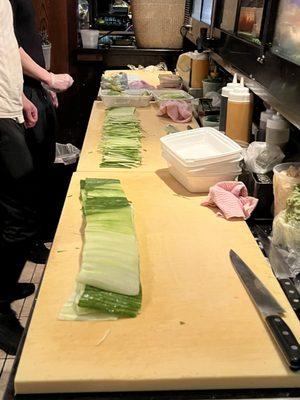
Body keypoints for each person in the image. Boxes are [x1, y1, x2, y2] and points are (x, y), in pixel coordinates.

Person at [10, 0, 74, 262]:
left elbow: (25, 41)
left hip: (31, 86)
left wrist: (42, 82)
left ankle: (37, 238)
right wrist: (47, 78)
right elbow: (9, 49)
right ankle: (27, 246)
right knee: (28, 174)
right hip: (21, 89)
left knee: (43, 165)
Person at [0, 0, 40, 355]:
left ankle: (4, 289)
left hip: (7, 108)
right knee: (19, 216)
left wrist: (19, 97)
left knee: (13, 213)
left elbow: (6, 47)